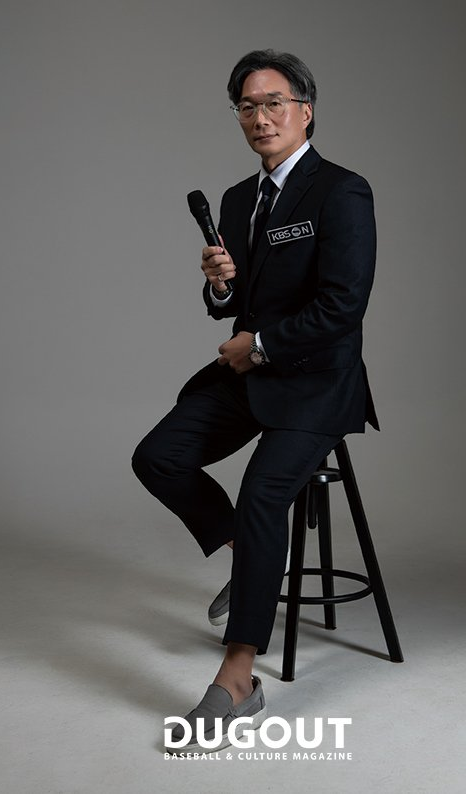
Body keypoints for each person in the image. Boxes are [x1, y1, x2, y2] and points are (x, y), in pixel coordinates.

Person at [131, 49, 379, 752]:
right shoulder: (241, 198)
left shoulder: (342, 191)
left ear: (306, 110)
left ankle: (239, 679)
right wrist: (220, 286)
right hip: (250, 374)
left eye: (274, 103)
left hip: (318, 383)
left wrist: (261, 344)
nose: (261, 117)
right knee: (157, 457)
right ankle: (249, 562)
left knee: (264, 495)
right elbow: (237, 301)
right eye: (247, 106)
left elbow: (344, 305)